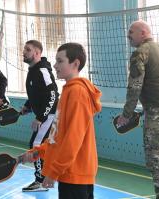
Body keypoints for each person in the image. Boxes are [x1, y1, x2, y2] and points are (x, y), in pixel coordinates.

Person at [22, 42, 102, 199]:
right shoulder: (67, 91)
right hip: (68, 173)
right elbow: (57, 136)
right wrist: (38, 152)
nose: (55, 65)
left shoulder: (77, 93)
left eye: (60, 61)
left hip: (75, 173)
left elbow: (73, 139)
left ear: (75, 63)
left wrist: (53, 171)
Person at [117, 20, 159, 199]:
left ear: (143, 33)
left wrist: (126, 114)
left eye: (131, 32)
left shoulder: (140, 53)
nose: (128, 35)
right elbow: (157, 81)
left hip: (158, 109)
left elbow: (135, 86)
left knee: (155, 154)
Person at [20, 40, 59, 192]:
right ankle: (43, 178)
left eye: (27, 50)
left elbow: (52, 95)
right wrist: (27, 106)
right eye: (24, 49)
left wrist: (40, 117)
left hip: (49, 115)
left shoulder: (42, 70)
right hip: (45, 115)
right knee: (40, 145)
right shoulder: (33, 70)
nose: (24, 52)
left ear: (37, 53)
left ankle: (40, 181)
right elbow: (37, 93)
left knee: (36, 144)